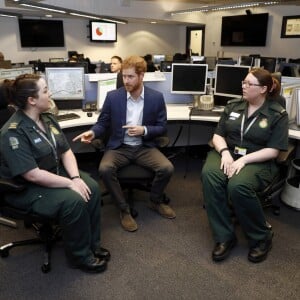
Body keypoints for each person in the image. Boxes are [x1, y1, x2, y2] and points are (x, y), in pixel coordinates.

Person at [0, 74, 110, 273]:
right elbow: (32, 175)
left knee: (91, 187)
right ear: (31, 100)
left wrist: (75, 178)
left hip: (52, 173)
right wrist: (69, 184)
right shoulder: (13, 132)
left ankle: (92, 245)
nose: (50, 93)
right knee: (73, 200)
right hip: (26, 188)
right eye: (45, 90)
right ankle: (80, 257)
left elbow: (66, 150)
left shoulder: (48, 118)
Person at [73, 55, 176, 232]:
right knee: (105, 169)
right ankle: (123, 209)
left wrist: (144, 130)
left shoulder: (156, 98)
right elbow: (103, 122)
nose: (126, 81)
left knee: (167, 168)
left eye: (130, 77)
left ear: (141, 75)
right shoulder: (113, 97)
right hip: (119, 147)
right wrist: (93, 132)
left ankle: (155, 200)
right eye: (124, 76)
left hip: (144, 147)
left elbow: (162, 127)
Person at [201, 68, 289, 263]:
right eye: (243, 82)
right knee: (210, 175)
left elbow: (274, 150)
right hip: (228, 153)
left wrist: (243, 160)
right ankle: (224, 237)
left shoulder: (277, 114)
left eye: (249, 84)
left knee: (238, 185)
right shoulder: (233, 106)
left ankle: (262, 237)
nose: (244, 86)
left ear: (263, 89)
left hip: (258, 160)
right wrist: (224, 153)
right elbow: (218, 135)